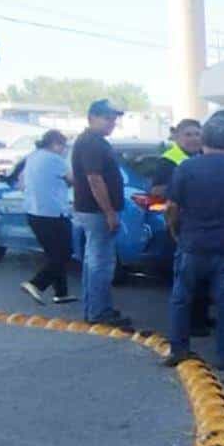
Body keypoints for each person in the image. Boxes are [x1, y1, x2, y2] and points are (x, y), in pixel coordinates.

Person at [163, 118, 224, 371]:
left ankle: (178, 349)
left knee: (181, 297)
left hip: (192, 244)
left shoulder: (186, 168)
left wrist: (175, 230)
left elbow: (172, 207)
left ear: (203, 141)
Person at [71, 99, 132, 329]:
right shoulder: (92, 144)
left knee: (93, 261)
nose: (112, 123)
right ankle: (99, 312)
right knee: (101, 263)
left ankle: (95, 309)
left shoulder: (92, 141)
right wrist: (109, 212)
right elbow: (95, 179)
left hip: (90, 210)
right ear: (92, 117)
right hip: (96, 212)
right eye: (107, 118)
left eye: (114, 119)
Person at [151, 119, 211, 336]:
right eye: (189, 134)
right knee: (186, 277)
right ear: (177, 137)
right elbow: (157, 189)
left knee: (203, 276)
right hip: (179, 224)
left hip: (201, 222)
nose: (194, 138)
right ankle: (189, 324)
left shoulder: (202, 157)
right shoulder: (169, 160)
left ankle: (201, 317)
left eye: (197, 134)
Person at [20, 129, 77, 306]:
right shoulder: (54, 159)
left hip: (33, 213)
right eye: (63, 146)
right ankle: (36, 284)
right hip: (53, 214)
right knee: (64, 254)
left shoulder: (33, 157)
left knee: (54, 254)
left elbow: (22, 182)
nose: (64, 150)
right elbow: (73, 179)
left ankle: (61, 293)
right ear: (55, 144)